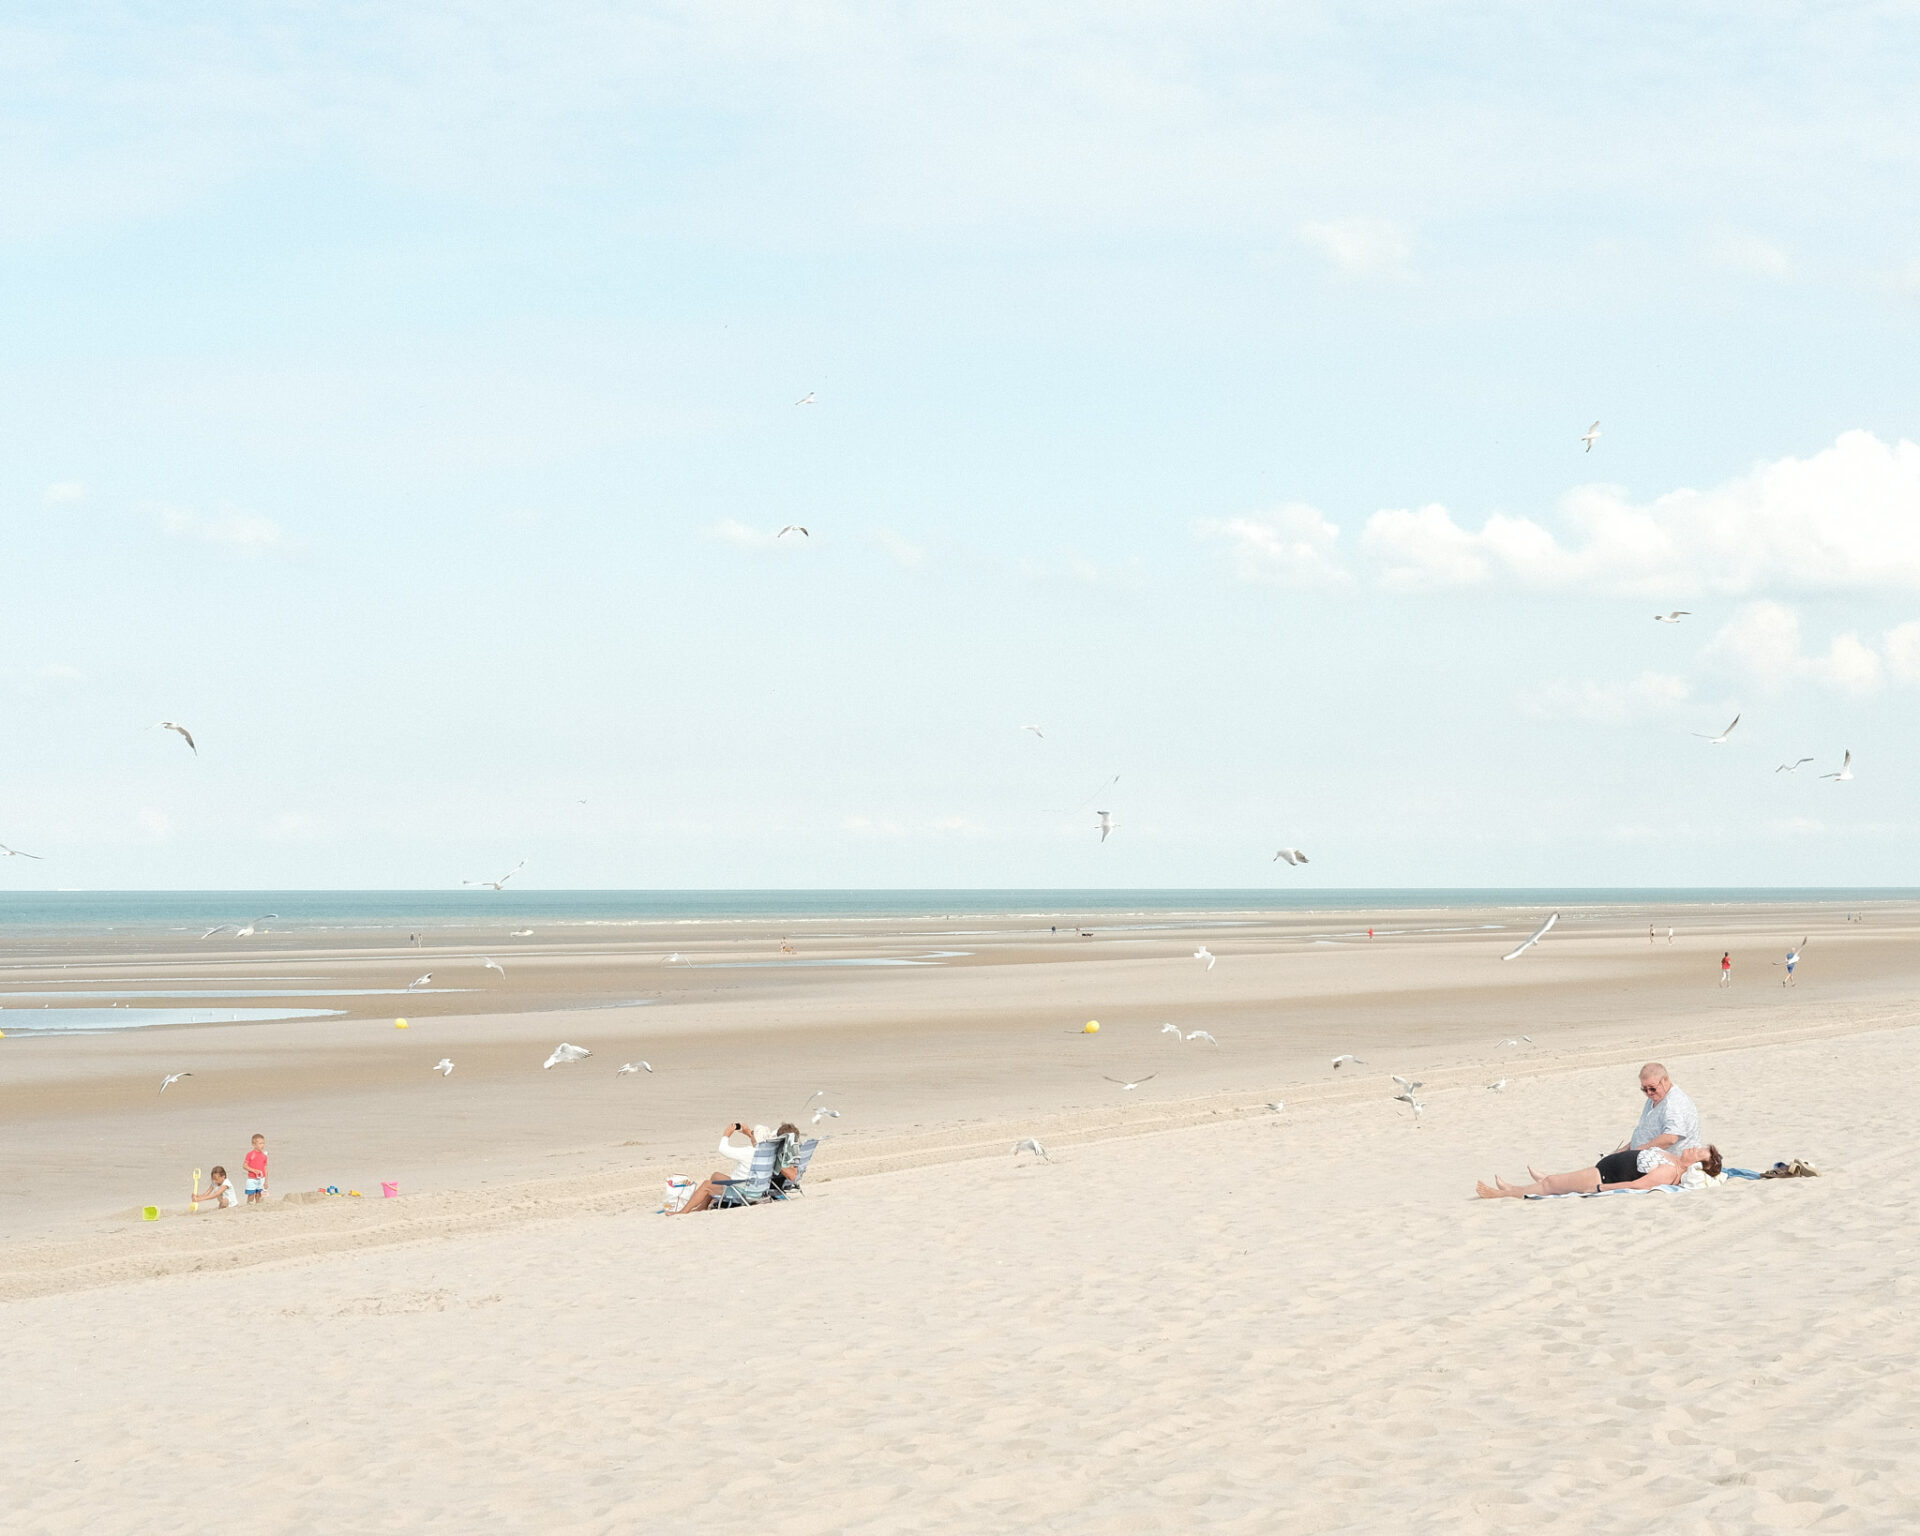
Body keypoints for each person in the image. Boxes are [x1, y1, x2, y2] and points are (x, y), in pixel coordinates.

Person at [1477, 1143, 1721, 1198]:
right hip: (1604, 1168)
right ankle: (1518, 1187)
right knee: (1553, 1181)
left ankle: (1504, 1193)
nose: (1695, 1148)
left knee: (1551, 1185)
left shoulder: (1670, 1171)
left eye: (1700, 1153)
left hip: (1605, 1176)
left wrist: (1603, 1188)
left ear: (1696, 1165)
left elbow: (1639, 1185)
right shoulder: (1673, 1159)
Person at [670, 1122, 771, 1214]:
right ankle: (702, 1206)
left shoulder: (749, 1152)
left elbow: (723, 1149)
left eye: (753, 1133)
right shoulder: (767, 1152)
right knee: (716, 1176)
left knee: (706, 1185)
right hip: (758, 1189)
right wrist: (749, 1134)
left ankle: (683, 1211)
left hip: (745, 1192)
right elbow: (758, 1144)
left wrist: (726, 1135)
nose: (751, 1134)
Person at [243, 1133, 268, 1204]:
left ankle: (258, 1206)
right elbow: (244, 1166)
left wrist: (266, 1181)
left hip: (261, 1178)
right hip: (252, 1178)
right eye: (260, 1143)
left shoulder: (264, 1155)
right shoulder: (250, 1154)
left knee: (259, 1194)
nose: (262, 1145)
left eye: (263, 1143)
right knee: (251, 1194)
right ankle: (249, 1205)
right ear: (254, 1144)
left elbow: (265, 1168)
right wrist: (254, 1170)